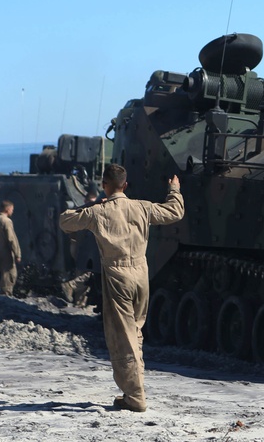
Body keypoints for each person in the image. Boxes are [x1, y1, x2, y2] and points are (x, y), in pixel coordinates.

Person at [58, 164, 184, 413]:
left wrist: (90, 207)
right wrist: (174, 189)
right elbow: (174, 212)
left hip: (117, 275)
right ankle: (132, 389)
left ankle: (135, 396)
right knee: (135, 333)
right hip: (141, 273)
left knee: (122, 337)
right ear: (125, 185)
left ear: (104, 185)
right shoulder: (142, 207)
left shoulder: (98, 212)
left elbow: (65, 222)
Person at [0, 200, 22, 296]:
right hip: (5, 252)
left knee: (4, 273)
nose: (12, 211)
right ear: (7, 209)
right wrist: (17, 254)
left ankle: (3, 294)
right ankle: (5, 295)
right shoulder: (6, 221)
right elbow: (11, 239)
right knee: (10, 273)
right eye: (12, 209)